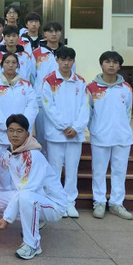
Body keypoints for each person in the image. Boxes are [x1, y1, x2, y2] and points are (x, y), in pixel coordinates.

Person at [0, 114, 66, 260]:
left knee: (26, 198)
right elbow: (2, 160)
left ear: (27, 134)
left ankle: (32, 245)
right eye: (11, 130)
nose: (14, 135)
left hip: (53, 205)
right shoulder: (14, 152)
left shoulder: (33, 155)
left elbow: (26, 191)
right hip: (33, 196)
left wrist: (7, 219)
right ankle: (36, 219)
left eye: (19, 131)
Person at [41, 46, 89, 218]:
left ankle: (69, 202)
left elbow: (85, 107)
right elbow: (48, 107)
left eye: (69, 60)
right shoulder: (49, 81)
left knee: (72, 169)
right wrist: (63, 126)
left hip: (75, 134)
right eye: (63, 59)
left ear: (73, 61)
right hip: (56, 134)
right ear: (57, 60)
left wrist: (76, 128)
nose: (66, 63)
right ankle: (56, 201)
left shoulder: (80, 82)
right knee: (54, 169)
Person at [87, 51, 133, 220]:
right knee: (99, 171)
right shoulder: (91, 88)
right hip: (100, 137)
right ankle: (99, 201)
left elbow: (128, 112)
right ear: (101, 64)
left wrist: (121, 128)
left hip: (122, 137)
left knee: (119, 171)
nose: (111, 65)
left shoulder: (126, 88)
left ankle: (116, 203)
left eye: (115, 62)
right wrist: (95, 130)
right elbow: (88, 113)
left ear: (119, 66)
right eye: (107, 62)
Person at [0, 52, 38, 192]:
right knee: (3, 173)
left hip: (22, 139)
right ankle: (4, 201)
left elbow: (32, 106)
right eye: (7, 62)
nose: (10, 65)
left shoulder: (26, 85)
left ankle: (20, 201)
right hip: (2, 137)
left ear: (18, 65)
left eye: (13, 62)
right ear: (2, 65)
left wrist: (21, 128)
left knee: (21, 173)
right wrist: (9, 128)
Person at [33, 21, 70, 154]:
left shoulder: (67, 53)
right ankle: (43, 163)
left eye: (57, 31)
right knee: (41, 136)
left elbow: (71, 76)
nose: (54, 34)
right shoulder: (36, 53)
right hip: (41, 101)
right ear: (45, 34)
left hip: (62, 100)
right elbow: (31, 76)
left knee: (60, 134)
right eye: (50, 31)